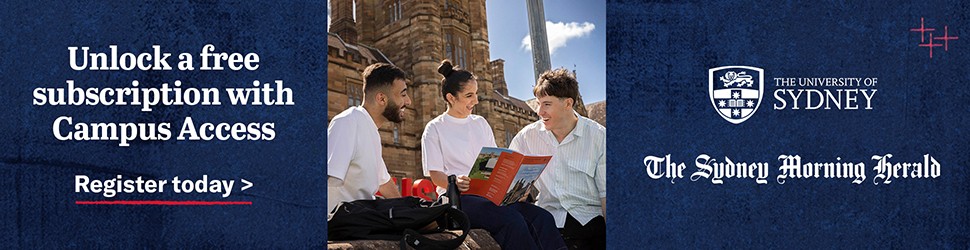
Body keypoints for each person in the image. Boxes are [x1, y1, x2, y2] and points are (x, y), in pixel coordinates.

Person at [421, 60, 566, 250]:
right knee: (511, 220)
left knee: (542, 218)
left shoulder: (480, 123)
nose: (476, 100)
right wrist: (455, 181)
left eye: (476, 94)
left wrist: (515, 187)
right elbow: (435, 176)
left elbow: (496, 162)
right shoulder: (434, 128)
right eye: (469, 95)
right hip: (459, 200)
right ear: (451, 97)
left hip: (489, 197)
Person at [510, 69, 606, 249]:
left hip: (591, 222)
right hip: (548, 223)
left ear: (568, 103)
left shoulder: (599, 137)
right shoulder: (526, 137)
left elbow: (607, 196)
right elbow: (507, 178)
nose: (539, 111)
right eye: (538, 104)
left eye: (547, 104)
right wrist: (516, 191)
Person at [327, 63, 411, 213]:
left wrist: (409, 214)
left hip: (363, 217)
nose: (408, 101)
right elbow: (327, 177)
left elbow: (385, 183)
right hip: (343, 221)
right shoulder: (348, 122)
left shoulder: (371, 130)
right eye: (403, 95)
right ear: (382, 99)